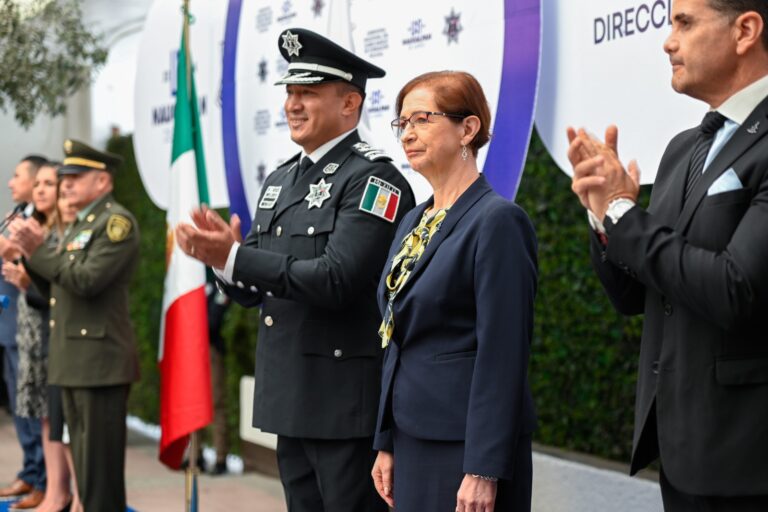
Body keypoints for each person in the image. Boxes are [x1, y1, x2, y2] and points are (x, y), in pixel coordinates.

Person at [175, 27, 415, 512]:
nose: (292, 105)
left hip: (343, 407)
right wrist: (223, 264)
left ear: (350, 103)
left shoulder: (374, 179)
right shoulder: (281, 179)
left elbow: (337, 280)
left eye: (308, 93)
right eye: (289, 92)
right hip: (290, 400)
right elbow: (252, 290)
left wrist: (235, 256)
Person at [567, 0, 768, 509]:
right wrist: (604, 217)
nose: (667, 41)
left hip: (750, 459)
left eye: (685, 23)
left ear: (746, 30)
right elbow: (636, 295)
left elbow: (736, 289)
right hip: (680, 452)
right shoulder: (683, 147)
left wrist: (624, 212)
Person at [369, 71, 537, 512]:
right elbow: (396, 337)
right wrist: (386, 439)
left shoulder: (497, 221)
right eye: (402, 123)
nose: (407, 133)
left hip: (466, 448)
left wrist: (484, 468)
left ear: (468, 129)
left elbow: (503, 353)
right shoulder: (414, 221)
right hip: (410, 435)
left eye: (422, 119)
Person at [10, 139, 140, 512]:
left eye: (76, 176)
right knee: (86, 470)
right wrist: (31, 256)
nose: (66, 184)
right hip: (74, 361)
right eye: (64, 176)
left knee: (99, 480)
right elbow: (59, 289)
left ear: (103, 181)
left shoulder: (115, 224)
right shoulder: (83, 223)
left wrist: (39, 252)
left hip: (99, 364)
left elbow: (86, 280)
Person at [4, 166, 83, 512]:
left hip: (54, 335)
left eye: (49, 184)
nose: (40, 190)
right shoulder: (38, 228)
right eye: (37, 184)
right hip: (33, 334)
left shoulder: (61, 234)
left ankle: (67, 493)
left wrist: (25, 276)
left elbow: (58, 290)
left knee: (63, 421)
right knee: (46, 417)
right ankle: (52, 489)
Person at [0, 155, 47, 507]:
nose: (11, 182)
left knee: (33, 404)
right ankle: (31, 471)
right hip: (9, 321)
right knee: (19, 402)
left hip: (28, 322)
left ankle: (43, 478)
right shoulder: (17, 215)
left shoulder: (40, 220)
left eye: (17, 176)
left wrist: (13, 250)